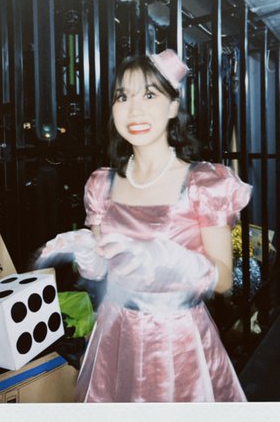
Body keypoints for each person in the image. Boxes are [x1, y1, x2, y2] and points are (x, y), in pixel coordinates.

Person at [36, 49, 252, 402]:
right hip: (115, 335)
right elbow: (106, 269)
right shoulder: (101, 184)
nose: (134, 110)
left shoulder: (204, 183)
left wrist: (171, 259)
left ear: (173, 106)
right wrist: (88, 254)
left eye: (149, 95)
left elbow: (224, 280)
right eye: (123, 96)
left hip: (177, 341)